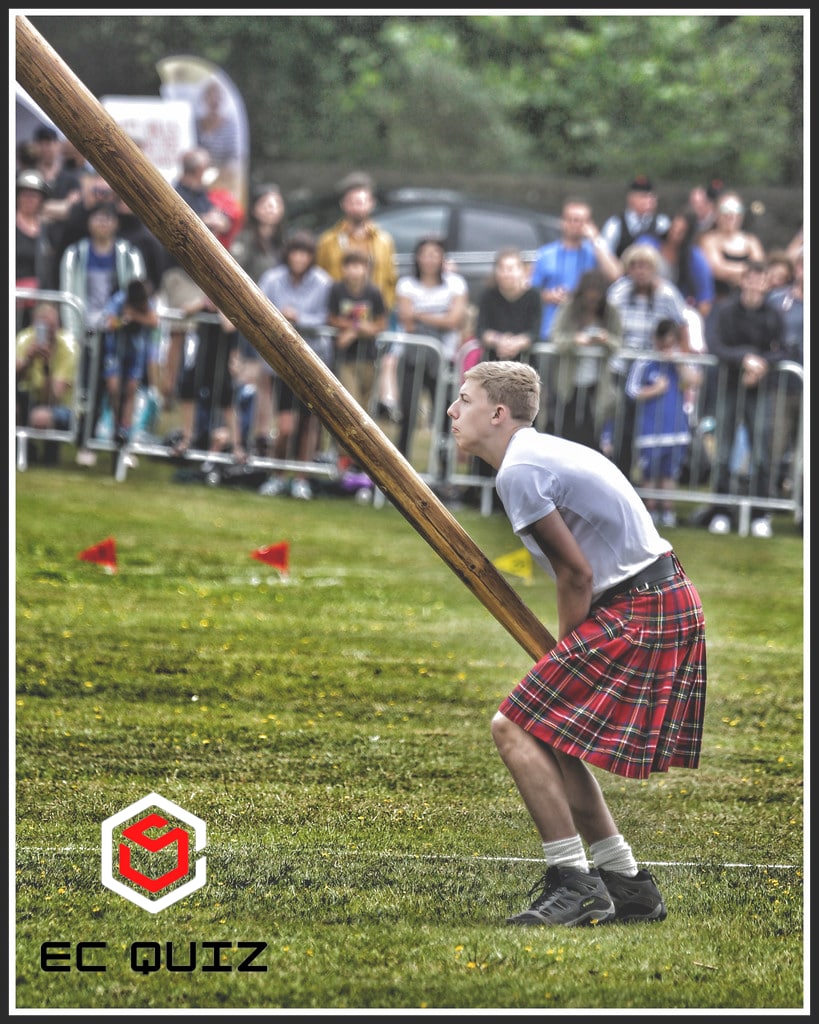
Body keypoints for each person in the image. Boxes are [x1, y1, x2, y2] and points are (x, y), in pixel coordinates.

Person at [446, 359, 706, 928]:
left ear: (497, 412)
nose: (451, 411)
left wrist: (562, 656)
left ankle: (575, 883)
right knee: (550, 733)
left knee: (513, 725)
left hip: (644, 606)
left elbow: (575, 575)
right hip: (660, 596)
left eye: (463, 400)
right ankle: (629, 886)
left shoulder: (520, 470)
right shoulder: (537, 455)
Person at [59, 201, 146, 466]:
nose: (103, 223)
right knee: (90, 389)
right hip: (88, 330)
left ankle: (122, 445)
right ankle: (87, 441)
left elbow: (138, 291)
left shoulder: (128, 254)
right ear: (89, 222)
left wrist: (126, 319)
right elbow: (68, 293)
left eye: (108, 218)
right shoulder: (76, 254)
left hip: (120, 334)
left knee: (124, 390)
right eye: (98, 218)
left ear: (116, 223)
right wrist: (74, 331)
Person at [704, 262, 786, 538]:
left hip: (760, 389)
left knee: (762, 452)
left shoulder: (773, 314)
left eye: (759, 279)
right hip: (729, 386)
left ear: (765, 283)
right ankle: (721, 512)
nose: (753, 284)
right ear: (743, 281)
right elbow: (715, 345)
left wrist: (760, 363)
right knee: (723, 454)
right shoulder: (727, 310)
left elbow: (785, 348)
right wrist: (745, 360)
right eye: (749, 279)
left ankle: (760, 514)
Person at [256, 230, 333, 500]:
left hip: (314, 362)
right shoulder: (272, 279)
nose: (299, 258)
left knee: (308, 425)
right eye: (295, 252)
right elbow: (259, 309)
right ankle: (277, 475)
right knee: (286, 426)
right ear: (287, 254)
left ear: (311, 257)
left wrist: (299, 317)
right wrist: (281, 316)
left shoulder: (323, 283)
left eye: (305, 253)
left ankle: (301, 479)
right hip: (282, 362)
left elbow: (327, 318)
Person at [315, 171, 399, 418]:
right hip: (337, 322)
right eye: (352, 201)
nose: (357, 206)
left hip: (372, 324)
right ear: (344, 204)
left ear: (370, 204)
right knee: (334, 390)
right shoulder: (329, 241)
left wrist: (378, 317)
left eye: (362, 201)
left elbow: (390, 281)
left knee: (365, 392)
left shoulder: (384, 241)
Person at [604, 243, 690, 478]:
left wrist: (682, 358)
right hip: (622, 366)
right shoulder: (619, 291)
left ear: (655, 268)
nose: (640, 270)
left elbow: (682, 325)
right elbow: (607, 322)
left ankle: (650, 483)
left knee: (651, 424)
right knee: (621, 423)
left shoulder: (667, 293)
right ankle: (620, 475)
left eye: (646, 266)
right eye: (635, 265)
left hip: (654, 367)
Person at [391, 236, 468, 472]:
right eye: (425, 253)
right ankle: (400, 470)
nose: (430, 259)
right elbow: (406, 320)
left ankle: (444, 472)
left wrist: (420, 314)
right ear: (417, 257)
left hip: (444, 358)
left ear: (442, 258)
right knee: (407, 414)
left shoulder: (455, 284)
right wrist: (439, 317)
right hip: (411, 357)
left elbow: (454, 320)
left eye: (435, 254)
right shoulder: (406, 284)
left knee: (446, 416)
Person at [625, 319, 703, 529]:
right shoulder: (644, 361)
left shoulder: (681, 361)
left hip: (676, 429)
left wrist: (678, 363)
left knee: (669, 473)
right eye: (663, 344)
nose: (666, 348)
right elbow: (631, 391)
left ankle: (667, 511)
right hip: (649, 430)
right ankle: (649, 511)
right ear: (655, 340)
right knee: (649, 473)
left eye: (670, 343)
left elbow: (694, 381)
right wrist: (654, 390)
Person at [230, 183, 288, 455]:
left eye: (276, 204)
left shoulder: (281, 244)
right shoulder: (246, 239)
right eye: (266, 204)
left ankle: (262, 438)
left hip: (273, 324)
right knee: (246, 381)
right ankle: (238, 439)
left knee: (265, 382)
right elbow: (233, 272)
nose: (271, 209)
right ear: (255, 209)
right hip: (247, 319)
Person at [549, 269, 623, 451]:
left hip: (596, 384)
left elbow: (618, 343)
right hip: (567, 382)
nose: (591, 303)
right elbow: (556, 337)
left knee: (591, 435)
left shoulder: (611, 312)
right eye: (588, 299)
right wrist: (575, 340)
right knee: (565, 433)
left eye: (596, 300)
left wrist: (605, 339)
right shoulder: (569, 307)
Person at [530, 198, 621, 342]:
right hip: (550, 330)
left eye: (579, 220)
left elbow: (615, 275)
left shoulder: (595, 252)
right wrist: (548, 295)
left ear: (588, 224)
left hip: (584, 333)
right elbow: (531, 292)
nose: (574, 224)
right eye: (570, 219)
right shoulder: (545, 253)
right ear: (562, 222)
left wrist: (595, 239)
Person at [100, 278, 161, 448]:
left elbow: (155, 321)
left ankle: (125, 429)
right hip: (115, 350)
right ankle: (115, 423)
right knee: (114, 388)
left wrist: (134, 316)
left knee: (131, 389)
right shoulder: (119, 299)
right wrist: (122, 321)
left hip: (136, 353)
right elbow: (110, 322)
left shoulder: (147, 302)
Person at [16, 301, 79, 462]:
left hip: (61, 406)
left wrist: (46, 366)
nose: (48, 332)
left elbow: (53, 397)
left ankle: (51, 452)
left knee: (40, 417)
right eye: (43, 327)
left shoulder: (69, 346)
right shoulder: (24, 339)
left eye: (52, 326)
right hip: (29, 399)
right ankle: (26, 451)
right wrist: (28, 360)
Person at [766, 247, 803, 502]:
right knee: (772, 447)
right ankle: (764, 506)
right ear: (797, 269)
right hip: (781, 385)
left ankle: (803, 512)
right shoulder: (777, 300)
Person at [476, 248, 543, 362]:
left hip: (526, 363)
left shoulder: (534, 296)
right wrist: (499, 341)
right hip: (493, 362)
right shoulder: (487, 295)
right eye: (501, 269)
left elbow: (534, 332)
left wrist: (517, 343)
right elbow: (481, 330)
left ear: (522, 271)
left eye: (510, 269)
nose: (506, 274)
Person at [699, 191, 766, 304]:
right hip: (719, 301)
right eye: (725, 210)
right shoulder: (708, 240)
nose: (731, 215)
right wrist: (748, 273)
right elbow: (717, 269)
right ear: (716, 214)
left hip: (748, 301)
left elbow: (760, 270)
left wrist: (736, 274)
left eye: (736, 210)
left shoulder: (751, 241)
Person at [15, 169, 54, 330]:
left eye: (35, 195)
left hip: (39, 306)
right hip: (14, 302)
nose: (29, 199)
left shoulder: (48, 230)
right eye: (25, 194)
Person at [600, 176, 671, 259]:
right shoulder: (614, 224)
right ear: (630, 198)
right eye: (643, 196)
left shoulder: (662, 223)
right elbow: (605, 254)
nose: (649, 200)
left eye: (652, 196)